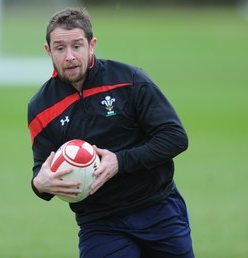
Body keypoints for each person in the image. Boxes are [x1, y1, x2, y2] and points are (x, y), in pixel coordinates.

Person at [27, 7, 194, 258]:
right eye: (60, 48)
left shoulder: (130, 80)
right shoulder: (41, 108)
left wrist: (120, 161)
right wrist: (38, 185)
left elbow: (175, 137)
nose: (70, 56)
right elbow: (43, 167)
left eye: (77, 46)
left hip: (158, 208)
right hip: (100, 222)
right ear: (48, 51)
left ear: (92, 45)